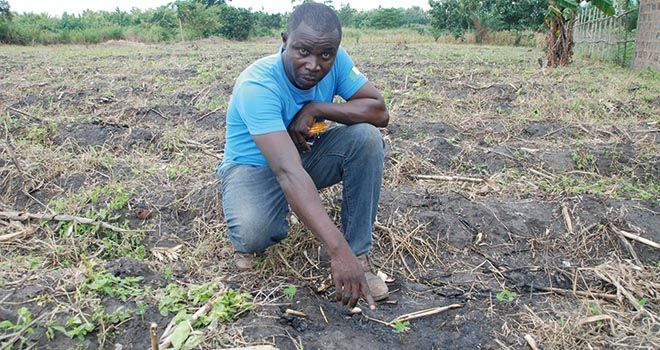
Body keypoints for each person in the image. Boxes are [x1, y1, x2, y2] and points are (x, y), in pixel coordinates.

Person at [217, 2, 389, 311]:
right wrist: (337, 250)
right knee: (254, 234)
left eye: (326, 54)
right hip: (255, 168)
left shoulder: (335, 62)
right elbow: (286, 171)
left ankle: (360, 257)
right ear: (285, 41)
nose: (314, 64)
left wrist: (317, 108)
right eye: (303, 51)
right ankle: (276, 207)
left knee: (366, 138)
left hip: (303, 156)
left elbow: (378, 110)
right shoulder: (258, 84)